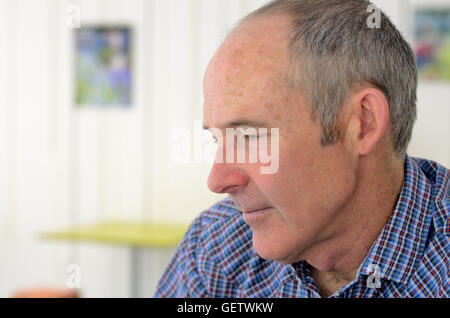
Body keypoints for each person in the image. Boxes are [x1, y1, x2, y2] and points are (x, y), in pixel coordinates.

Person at [155, 0, 449, 297]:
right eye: (217, 140)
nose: (216, 181)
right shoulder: (213, 251)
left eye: (249, 137)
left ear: (362, 123)